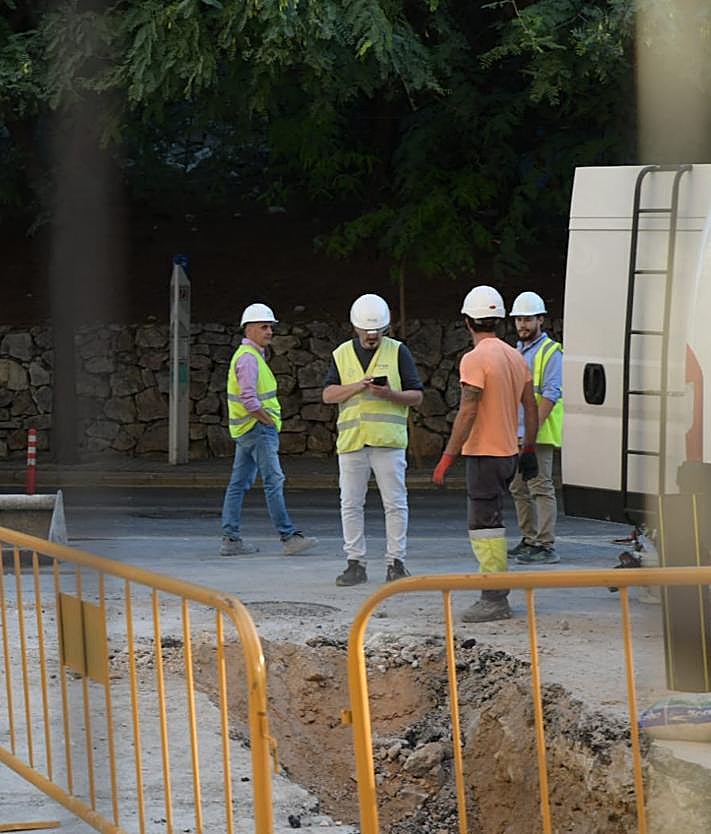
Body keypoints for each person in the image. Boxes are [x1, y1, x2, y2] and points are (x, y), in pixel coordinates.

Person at [432, 285, 538, 623]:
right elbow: (531, 407)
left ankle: (494, 598)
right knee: (495, 522)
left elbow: (468, 410)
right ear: (500, 320)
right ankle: (495, 593)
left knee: (485, 527)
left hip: (484, 455)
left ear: (467, 322)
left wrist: (448, 456)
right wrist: (529, 448)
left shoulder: (474, 359)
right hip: (509, 453)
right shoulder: (515, 356)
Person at [322, 293, 424, 586]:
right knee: (350, 504)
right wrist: (357, 387)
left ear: (385, 328)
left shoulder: (398, 351)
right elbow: (328, 394)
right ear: (355, 327)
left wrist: (390, 394)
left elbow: (416, 396)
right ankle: (355, 562)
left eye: (377, 331)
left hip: (388, 442)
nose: (371, 336)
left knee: (395, 503)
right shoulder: (341, 354)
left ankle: (396, 562)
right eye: (367, 331)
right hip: (353, 442)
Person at [220, 303, 318, 557]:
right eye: (264, 326)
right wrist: (267, 421)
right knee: (274, 481)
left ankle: (231, 540)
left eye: (270, 327)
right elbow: (249, 400)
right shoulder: (249, 359)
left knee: (238, 484)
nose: (270, 331)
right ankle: (288, 537)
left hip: (246, 430)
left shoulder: (249, 357)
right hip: (257, 429)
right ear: (249, 329)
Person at [507, 291, 563, 565]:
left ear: (540, 319)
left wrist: (530, 434)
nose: (522, 324)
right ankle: (529, 539)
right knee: (518, 488)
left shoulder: (550, 351)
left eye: (528, 319)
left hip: (537, 434)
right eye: (518, 319)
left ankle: (545, 544)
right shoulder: (517, 351)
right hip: (516, 433)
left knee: (540, 487)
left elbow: (551, 394)